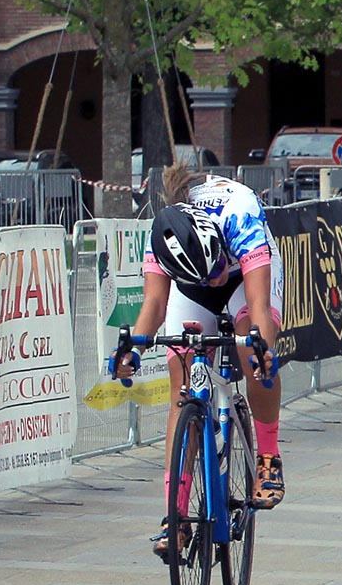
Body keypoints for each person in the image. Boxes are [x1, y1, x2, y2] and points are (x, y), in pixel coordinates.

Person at [111, 167, 284, 560]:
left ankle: (269, 457)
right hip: (190, 284)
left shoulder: (240, 217)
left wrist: (262, 350)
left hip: (246, 275)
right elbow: (154, 306)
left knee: (250, 347)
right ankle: (176, 517)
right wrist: (132, 352)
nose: (213, 281)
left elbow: (257, 307)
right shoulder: (162, 238)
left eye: (213, 272)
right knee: (182, 383)